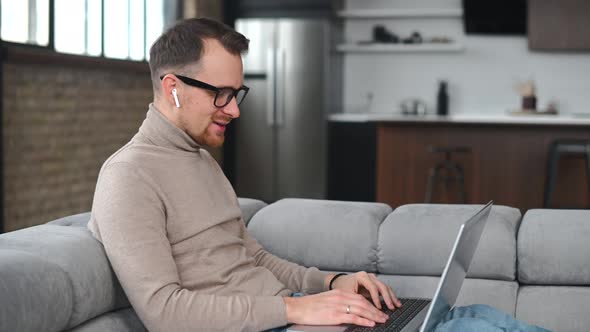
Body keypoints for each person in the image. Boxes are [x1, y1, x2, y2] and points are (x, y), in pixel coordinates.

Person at [88, 18, 551, 332]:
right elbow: (165, 312)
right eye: (221, 94)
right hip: (276, 322)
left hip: (291, 315)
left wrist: (331, 283)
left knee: (474, 317)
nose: (234, 109)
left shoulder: (200, 160)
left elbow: (256, 259)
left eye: (238, 93)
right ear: (173, 88)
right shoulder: (129, 177)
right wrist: (294, 309)